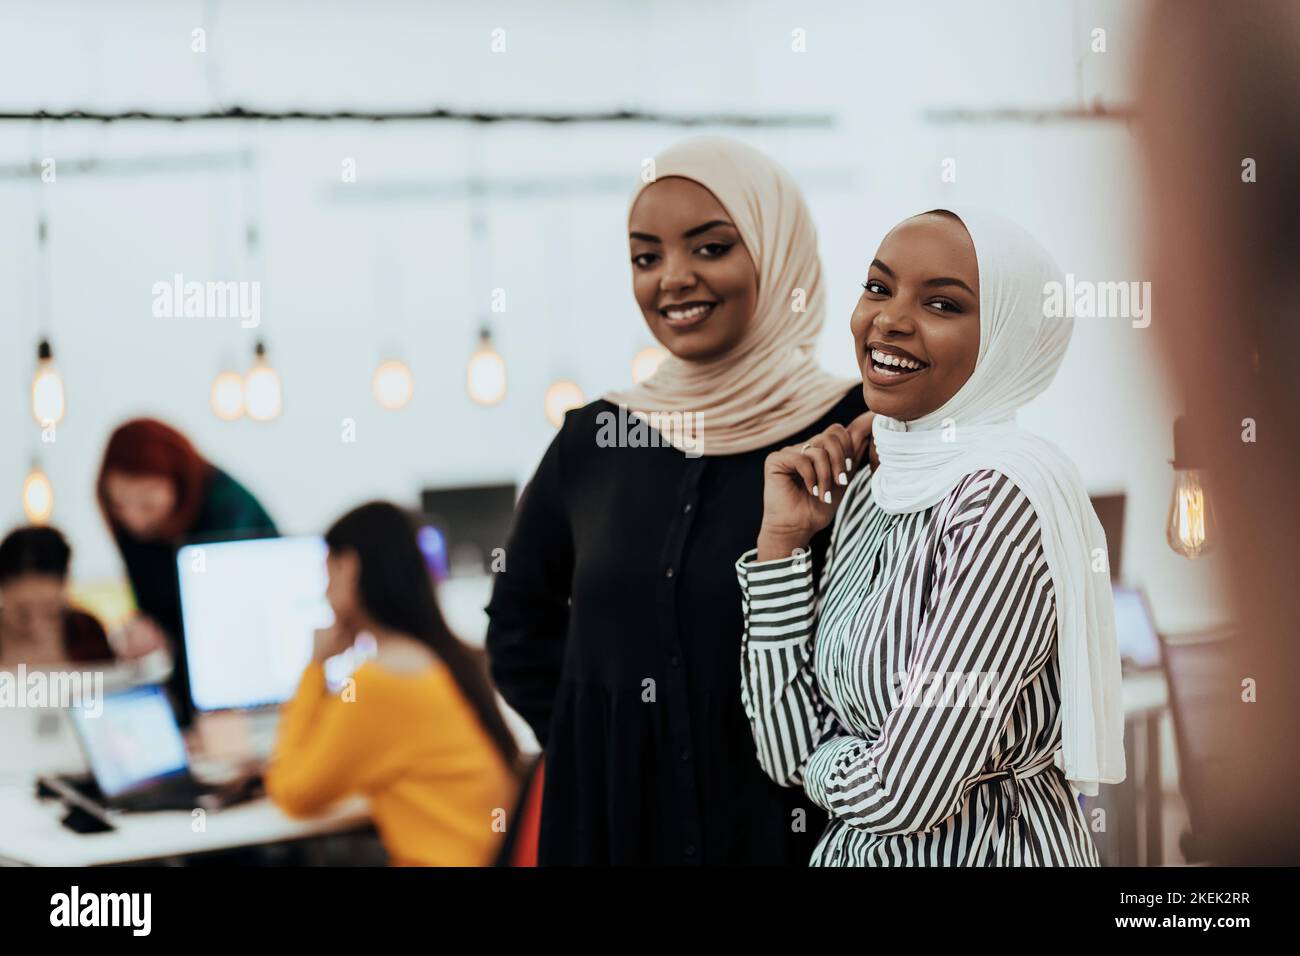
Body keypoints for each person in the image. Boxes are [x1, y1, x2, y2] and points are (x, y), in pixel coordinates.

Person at [486, 136, 868, 865]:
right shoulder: (596, 438)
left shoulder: (848, 431)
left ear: (775, 250)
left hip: (792, 829)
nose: (674, 279)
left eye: (711, 247)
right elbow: (516, 629)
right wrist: (603, 745)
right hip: (621, 832)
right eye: (646, 257)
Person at [739, 207, 1125, 865]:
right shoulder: (872, 482)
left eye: (943, 303)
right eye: (879, 287)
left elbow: (906, 793)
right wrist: (781, 543)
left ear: (1005, 338)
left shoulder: (1001, 499)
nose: (888, 319)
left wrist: (820, 761)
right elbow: (779, 749)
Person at [265, 502, 520, 867]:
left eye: (328, 573)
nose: (324, 592)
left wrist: (314, 668)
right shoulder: (443, 660)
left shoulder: (382, 683)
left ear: (349, 567)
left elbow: (293, 792)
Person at [96, 418, 276, 723]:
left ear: (177, 485)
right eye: (120, 504)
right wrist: (149, 631)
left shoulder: (228, 509)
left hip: (249, 691)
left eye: (147, 503)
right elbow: (153, 610)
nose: (134, 519)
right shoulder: (133, 531)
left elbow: (240, 622)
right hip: (186, 694)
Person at [0, 526, 113, 668]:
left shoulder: (86, 632)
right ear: (3, 592)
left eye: (50, 611)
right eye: (23, 613)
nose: (37, 626)